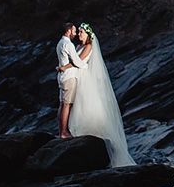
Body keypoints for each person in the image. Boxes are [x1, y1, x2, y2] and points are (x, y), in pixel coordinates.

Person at [61, 22, 135, 167]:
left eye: (82, 32)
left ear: (88, 35)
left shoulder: (88, 47)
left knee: (88, 105)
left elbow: (79, 61)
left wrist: (64, 67)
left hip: (85, 78)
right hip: (78, 77)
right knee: (78, 105)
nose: (79, 34)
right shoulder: (78, 46)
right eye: (79, 32)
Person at [55, 23, 87, 140]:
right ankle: (64, 131)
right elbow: (76, 61)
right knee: (67, 104)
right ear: (68, 31)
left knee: (62, 104)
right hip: (68, 77)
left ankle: (60, 131)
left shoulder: (60, 43)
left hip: (62, 76)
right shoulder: (68, 44)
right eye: (74, 31)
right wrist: (86, 67)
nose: (75, 34)